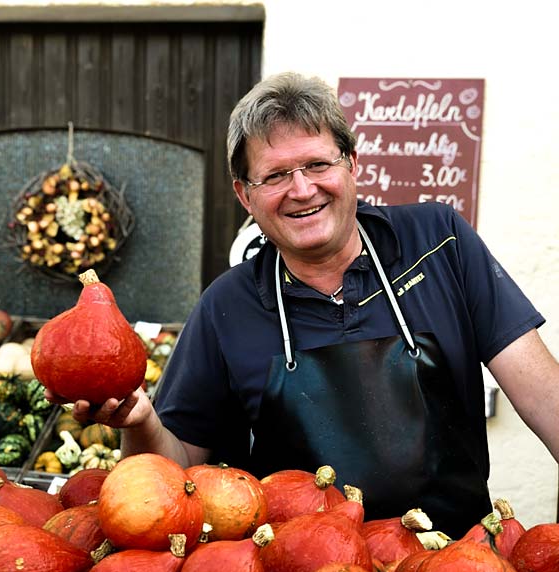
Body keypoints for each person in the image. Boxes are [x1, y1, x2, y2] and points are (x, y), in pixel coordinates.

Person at [63, 71, 559, 538]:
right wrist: (142, 422)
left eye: (318, 164)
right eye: (275, 176)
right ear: (245, 195)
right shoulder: (226, 307)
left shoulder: (440, 242)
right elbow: (177, 473)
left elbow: (544, 397)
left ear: (351, 165)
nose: (302, 190)